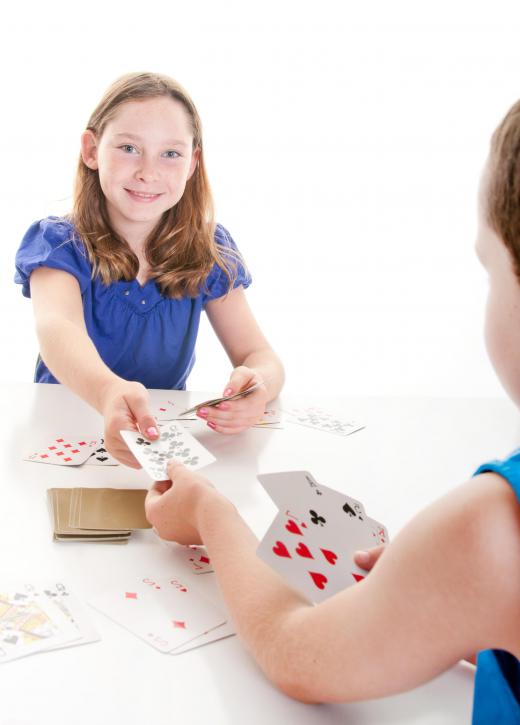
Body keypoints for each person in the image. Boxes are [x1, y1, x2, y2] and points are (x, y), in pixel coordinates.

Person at [145, 99, 520, 723]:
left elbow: (295, 655)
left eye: (490, 271)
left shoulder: (489, 533)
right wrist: (438, 600)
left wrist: (212, 512)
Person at [14, 72, 284, 467]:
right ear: (91, 150)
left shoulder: (209, 249)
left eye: (170, 154)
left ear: (192, 162)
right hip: (66, 434)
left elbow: (260, 354)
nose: (148, 172)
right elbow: (57, 329)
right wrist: (108, 392)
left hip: (157, 443)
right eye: (128, 147)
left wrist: (258, 386)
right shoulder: (59, 242)